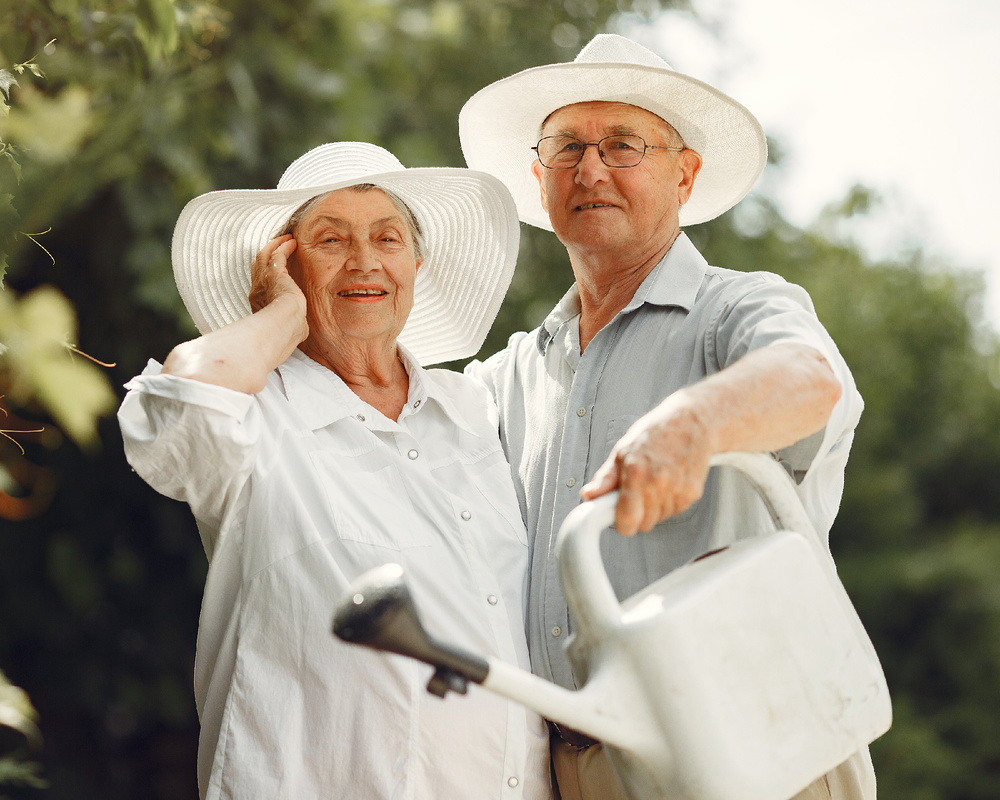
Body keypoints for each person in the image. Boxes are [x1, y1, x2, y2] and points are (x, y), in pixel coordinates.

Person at [458, 34, 873, 800]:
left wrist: (693, 421)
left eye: (624, 144)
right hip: (566, 765)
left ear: (684, 174)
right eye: (567, 146)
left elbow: (810, 379)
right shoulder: (506, 376)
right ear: (538, 176)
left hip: (753, 750)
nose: (590, 169)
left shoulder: (738, 308)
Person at [117, 141, 551, 799]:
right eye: (331, 240)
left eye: (388, 237)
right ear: (285, 262)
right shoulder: (256, 413)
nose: (366, 261)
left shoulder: (475, 411)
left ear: (416, 262)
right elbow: (180, 411)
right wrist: (284, 314)